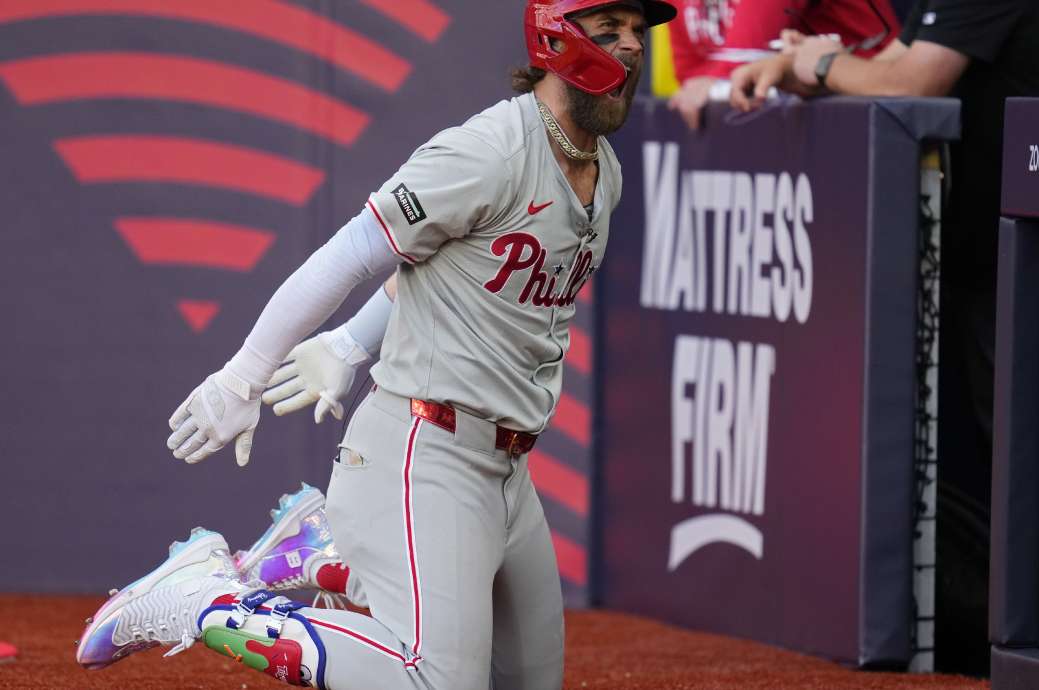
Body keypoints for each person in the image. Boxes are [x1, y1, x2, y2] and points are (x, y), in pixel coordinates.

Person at [74, 1, 676, 688]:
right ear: (556, 40)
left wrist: (351, 345)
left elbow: (455, 275)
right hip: (428, 449)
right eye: (610, 30)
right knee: (432, 678)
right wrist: (245, 375)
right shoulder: (489, 151)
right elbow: (353, 252)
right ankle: (205, 597)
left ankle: (326, 555)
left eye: (638, 31)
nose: (631, 46)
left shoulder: (607, 173)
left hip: (508, 469)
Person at [729, 0, 1039, 675]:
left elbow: (910, 82)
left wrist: (812, 62)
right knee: (1027, 463)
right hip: (1018, 251)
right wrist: (803, 67)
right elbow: (886, 65)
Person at [666, 0, 898, 129]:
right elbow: (692, 78)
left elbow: (743, 64)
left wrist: (713, 82)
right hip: (809, 109)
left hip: (879, 104)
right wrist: (710, 83)